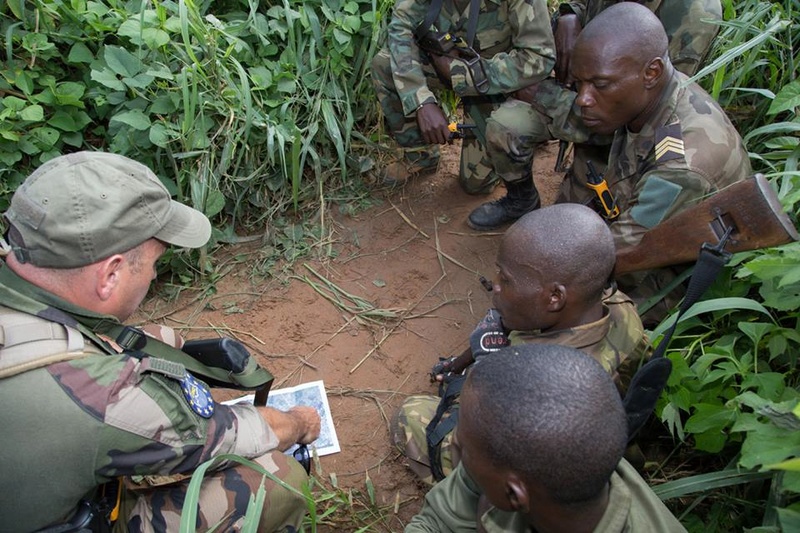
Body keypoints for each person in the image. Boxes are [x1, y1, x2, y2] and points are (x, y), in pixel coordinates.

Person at [0, 152, 321, 532]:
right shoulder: (104, 395)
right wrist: (300, 422)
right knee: (278, 479)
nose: (154, 274)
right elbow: (236, 433)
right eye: (156, 263)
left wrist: (170, 345)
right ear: (110, 274)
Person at [392, 203, 649, 485]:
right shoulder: (619, 307)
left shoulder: (538, 384)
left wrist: (486, 370)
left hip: (536, 473)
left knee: (411, 414)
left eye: (506, 279)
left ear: (554, 298)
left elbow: (474, 441)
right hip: (605, 440)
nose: (495, 285)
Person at [566, 2, 751, 321]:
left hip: (677, 281)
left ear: (651, 72)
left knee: (563, 310)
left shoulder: (682, 164)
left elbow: (618, 251)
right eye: (579, 84)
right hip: (655, 233)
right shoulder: (653, 92)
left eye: (599, 84)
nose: (583, 98)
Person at [404, 343, 687, 532]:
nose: (453, 444)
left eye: (462, 448)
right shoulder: (550, 467)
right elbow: (435, 521)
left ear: (513, 494)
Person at [370, 0, 556, 228]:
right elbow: (401, 26)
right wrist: (421, 100)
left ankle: (521, 141)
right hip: (447, 65)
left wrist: (461, 75)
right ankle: (419, 155)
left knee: (474, 185)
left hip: (498, 85)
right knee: (385, 64)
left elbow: (539, 58)